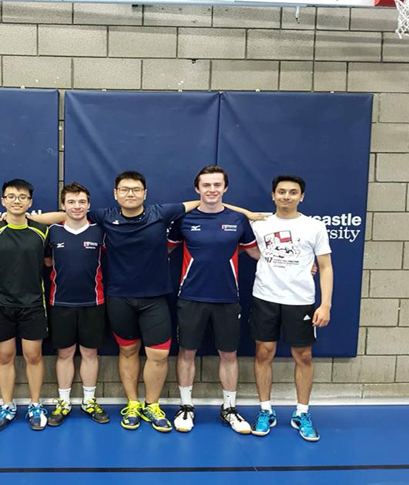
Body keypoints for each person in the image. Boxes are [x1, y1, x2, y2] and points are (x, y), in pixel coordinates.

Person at [31, 171, 260, 433]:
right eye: (124, 189)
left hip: (155, 298)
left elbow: (206, 200)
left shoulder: (160, 213)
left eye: (136, 189)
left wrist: (246, 213)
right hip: (119, 297)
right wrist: (23, 217)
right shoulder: (103, 216)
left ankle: (152, 405)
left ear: (145, 193)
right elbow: (63, 216)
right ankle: (132, 404)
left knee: (159, 355)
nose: (130, 193)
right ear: (116, 194)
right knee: (128, 351)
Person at [168, 165, 259, 434]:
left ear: (225, 188)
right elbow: (163, 250)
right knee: (187, 352)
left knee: (229, 354)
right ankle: (186, 406)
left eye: (217, 185)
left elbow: (257, 254)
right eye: (206, 185)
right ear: (197, 189)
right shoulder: (184, 220)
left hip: (227, 298)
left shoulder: (238, 220)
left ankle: (229, 408)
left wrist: (299, 265)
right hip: (191, 297)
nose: (212, 190)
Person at [248, 175, 333, 442]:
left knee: (303, 356)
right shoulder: (259, 224)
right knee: (264, 352)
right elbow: (245, 242)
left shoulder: (314, 226)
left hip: (301, 300)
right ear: (273, 195)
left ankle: (302, 413)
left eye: (293, 192)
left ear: (301, 196)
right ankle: (265, 410)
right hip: (265, 297)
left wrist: (325, 304)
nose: (287, 196)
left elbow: (325, 266)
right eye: (282, 191)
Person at [0, 179, 50, 432]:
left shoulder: (42, 232)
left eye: (23, 197)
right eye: (11, 196)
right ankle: (7, 406)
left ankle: (35, 405)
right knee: (5, 356)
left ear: (30, 202)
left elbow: (49, 261)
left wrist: (31, 218)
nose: (17, 201)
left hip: (33, 305)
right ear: (2, 201)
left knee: (33, 356)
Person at [44, 182, 109, 427]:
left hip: (93, 302)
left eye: (82, 201)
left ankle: (89, 401)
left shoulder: (99, 231)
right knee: (65, 353)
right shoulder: (52, 232)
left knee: (90, 353)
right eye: (71, 202)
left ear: (89, 205)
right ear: (63, 205)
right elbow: (48, 262)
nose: (77, 206)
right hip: (60, 302)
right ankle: (63, 402)